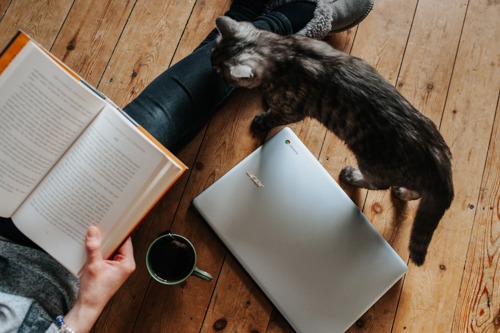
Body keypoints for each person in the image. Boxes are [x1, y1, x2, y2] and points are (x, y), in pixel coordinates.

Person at [0, 1, 374, 332]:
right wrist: (87, 311)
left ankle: (258, 18)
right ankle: (288, 18)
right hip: (48, 258)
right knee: (159, 127)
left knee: (161, 127)